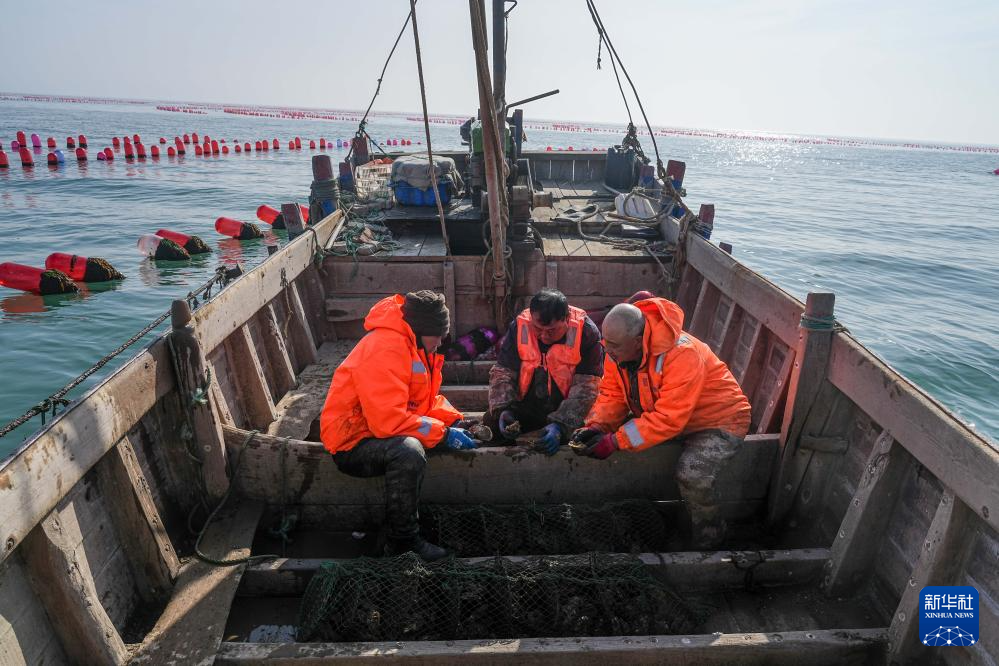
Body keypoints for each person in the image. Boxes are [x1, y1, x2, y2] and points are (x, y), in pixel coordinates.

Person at [572, 298, 752, 548]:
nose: (608, 351)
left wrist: (616, 441)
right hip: (670, 416)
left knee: (692, 474)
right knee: (620, 436)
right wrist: (597, 427)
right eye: (605, 343)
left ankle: (709, 535)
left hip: (719, 420)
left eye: (614, 345)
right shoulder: (617, 352)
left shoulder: (682, 354)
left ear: (637, 340)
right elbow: (612, 395)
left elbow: (669, 419)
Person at [320, 291, 479, 561]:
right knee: (409, 452)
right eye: (439, 335)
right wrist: (443, 435)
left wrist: (457, 420)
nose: (441, 342)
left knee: (421, 441)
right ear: (423, 330)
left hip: (374, 430)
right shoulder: (386, 348)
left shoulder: (413, 345)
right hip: (352, 442)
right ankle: (402, 540)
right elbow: (388, 422)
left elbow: (422, 403)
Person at [485, 289, 603, 454]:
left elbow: (587, 388)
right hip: (528, 405)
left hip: (567, 406)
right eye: (538, 329)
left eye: (552, 330)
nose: (544, 336)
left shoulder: (586, 332)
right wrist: (504, 409)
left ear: (567, 319)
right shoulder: (519, 326)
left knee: (587, 435)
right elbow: (503, 373)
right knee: (492, 425)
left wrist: (562, 424)